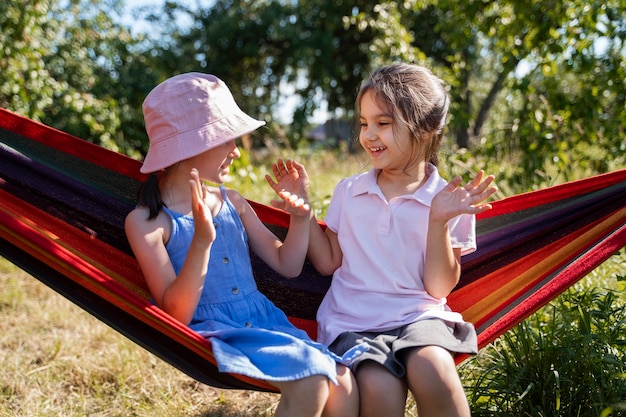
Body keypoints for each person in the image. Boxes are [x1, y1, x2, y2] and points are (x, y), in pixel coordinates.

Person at [124, 72, 359, 417]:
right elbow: (176, 313)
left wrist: (298, 214)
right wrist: (201, 242)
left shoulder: (232, 201)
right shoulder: (148, 222)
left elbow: (288, 265)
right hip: (217, 331)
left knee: (343, 381)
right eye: (226, 140)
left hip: (264, 321)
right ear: (193, 144)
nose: (236, 152)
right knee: (313, 380)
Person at [303, 63, 498, 417]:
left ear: (426, 129)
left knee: (435, 370)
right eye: (364, 123)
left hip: (419, 317)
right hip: (353, 322)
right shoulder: (349, 191)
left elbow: (438, 288)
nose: (368, 135)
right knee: (379, 389)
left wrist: (438, 221)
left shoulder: (449, 200)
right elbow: (329, 260)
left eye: (383, 123)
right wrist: (302, 215)